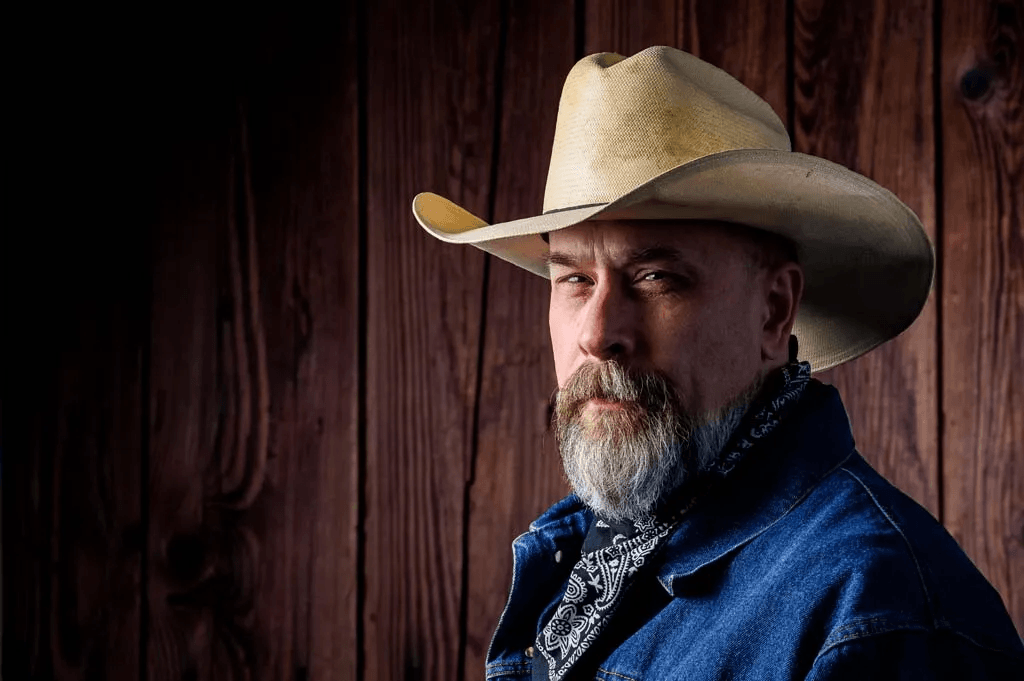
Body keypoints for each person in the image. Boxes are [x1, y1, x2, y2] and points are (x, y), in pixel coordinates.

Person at [413, 46, 1023, 680]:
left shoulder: (876, 606)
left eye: (655, 277)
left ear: (773, 310)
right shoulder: (591, 556)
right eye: (572, 278)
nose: (597, 334)